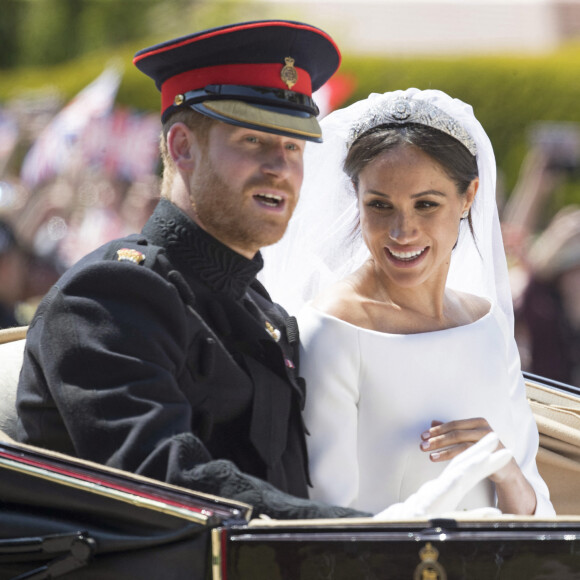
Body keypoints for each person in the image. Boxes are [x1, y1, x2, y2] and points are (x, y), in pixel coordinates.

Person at [260, 88, 555, 516]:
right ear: (356, 201)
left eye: (426, 205)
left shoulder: (486, 324)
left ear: (468, 198)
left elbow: (534, 507)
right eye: (380, 205)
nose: (402, 231)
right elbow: (329, 519)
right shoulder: (332, 329)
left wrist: (506, 472)